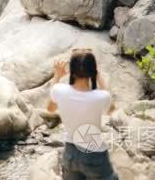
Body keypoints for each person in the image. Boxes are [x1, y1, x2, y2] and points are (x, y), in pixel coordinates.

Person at [47, 49, 118, 180]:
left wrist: (57, 75)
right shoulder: (101, 97)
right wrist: (100, 79)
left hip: (70, 153)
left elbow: (50, 109)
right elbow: (111, 110)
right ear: (92, 72)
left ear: (71, 71)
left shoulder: (59, 91)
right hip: (94, 155)